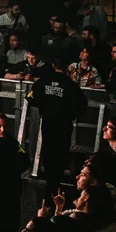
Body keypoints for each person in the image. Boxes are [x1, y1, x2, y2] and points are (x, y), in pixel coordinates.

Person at [25, 46, 85, 179]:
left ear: (53, 65)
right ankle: (57, 176)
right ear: (66, 67)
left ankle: (48, 175)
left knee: (48, 150)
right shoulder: (71, 85)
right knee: (61, 152)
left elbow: (30, 98)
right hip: (64, 124)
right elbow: (82, 106)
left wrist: (44, 107)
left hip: (48, 122)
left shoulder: (43, 82)